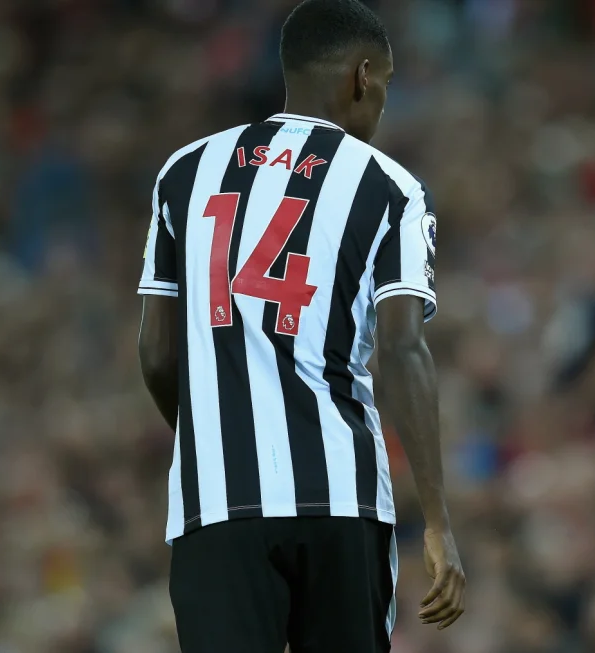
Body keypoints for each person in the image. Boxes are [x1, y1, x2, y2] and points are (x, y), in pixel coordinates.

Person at [135, 0, 465, 651]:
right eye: (388, 83)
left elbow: (156, 354)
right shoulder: (389, 186)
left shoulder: (185, 172)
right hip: (339, 497)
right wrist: (436, 518)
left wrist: (213, 442)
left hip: (218, 506)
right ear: (361, 75)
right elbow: (401, 348)